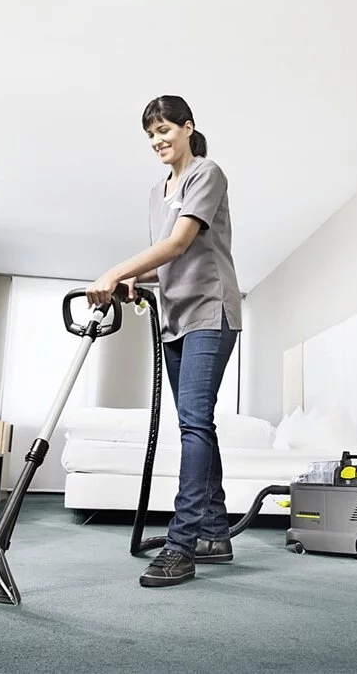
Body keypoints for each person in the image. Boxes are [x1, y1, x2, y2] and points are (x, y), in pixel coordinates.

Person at [85, 95, 242, 587]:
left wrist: (115, 271)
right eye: (150, 134)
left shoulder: (206, 173)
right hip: (174, 317)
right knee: (196, 425)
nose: (157, 140)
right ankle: (214, 533)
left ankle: (183, 544)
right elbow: (167, 261)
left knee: (194, 423)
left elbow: (178, 243)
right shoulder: (159, 191)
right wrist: (136, 278)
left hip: (210, 312)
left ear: (187, 128)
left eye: (165, 130)